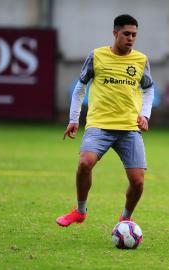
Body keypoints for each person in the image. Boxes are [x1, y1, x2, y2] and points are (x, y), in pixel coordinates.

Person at [56, 14, 154, 226]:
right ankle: (80, 211)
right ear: (115, 33)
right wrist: (74, 119)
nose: (130, 38)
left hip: (129, 128)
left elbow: (148, 89)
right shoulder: (97, 56)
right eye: (126, 34)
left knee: (137, 182)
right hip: (99, 125)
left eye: (134, 35)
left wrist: (144, 115)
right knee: (84, 163)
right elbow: (80, 88)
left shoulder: (141, 60)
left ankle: (125, 220)